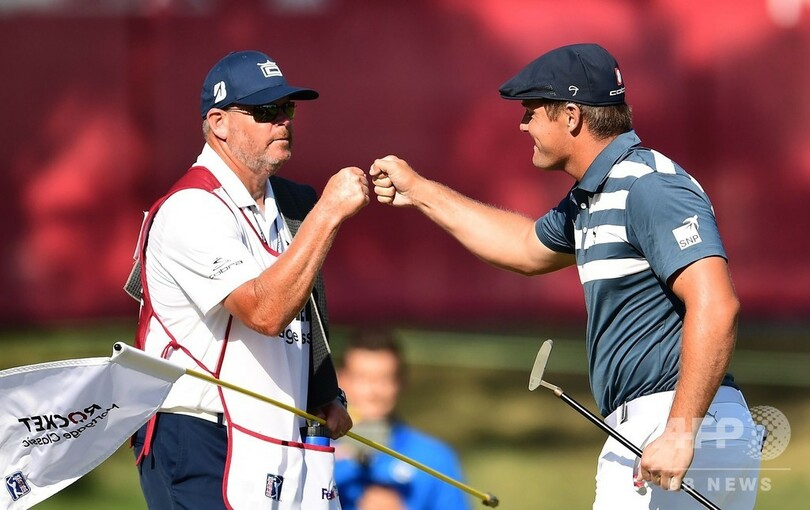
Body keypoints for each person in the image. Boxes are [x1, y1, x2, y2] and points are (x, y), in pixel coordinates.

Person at [369, 43, 762, 509]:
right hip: (676, 422)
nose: (523, 125)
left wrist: (679, 432)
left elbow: (717, 304)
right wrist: (420, 192)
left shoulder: (648, 185)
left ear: (572, 116)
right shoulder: (593, 196)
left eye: (532, 112)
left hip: (675, 420)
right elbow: (523, 247)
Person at [126, 50, 368, 509]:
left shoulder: (292, 202)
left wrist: (323, 391)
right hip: (199, 434)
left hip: (273, 430)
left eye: (287, 107)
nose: (283, 120)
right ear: (218, 123)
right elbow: (266, 312)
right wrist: (329, 214)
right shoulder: (191, 207)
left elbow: (306, 304)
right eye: (265, 110)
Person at [333, 329, 471, 510]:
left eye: (384, 379)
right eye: (361, 378)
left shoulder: (434, 458)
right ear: (339, 379)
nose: (372, 392)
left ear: (401, 382)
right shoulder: (313, 450)